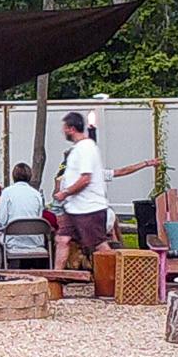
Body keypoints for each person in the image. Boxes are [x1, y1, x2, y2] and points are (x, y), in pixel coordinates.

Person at [53, 112, 110, 268]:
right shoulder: (78, 148)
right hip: (73, 207)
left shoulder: (86, 147)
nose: (63, 131)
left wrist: (65, 193)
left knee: (99, 244)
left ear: (71, 129)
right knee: (62, 239)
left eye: (65, 128)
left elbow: (85, 179)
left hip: (88, 207)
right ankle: (56, 276)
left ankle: (115, 274)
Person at [0, 163, 46, 254]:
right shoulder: (37, 194)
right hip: (35, 241)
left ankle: (1, 263)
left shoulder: (7, 192)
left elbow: (1, 222)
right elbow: (39, 217)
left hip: (12, 241)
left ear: (13, 176)